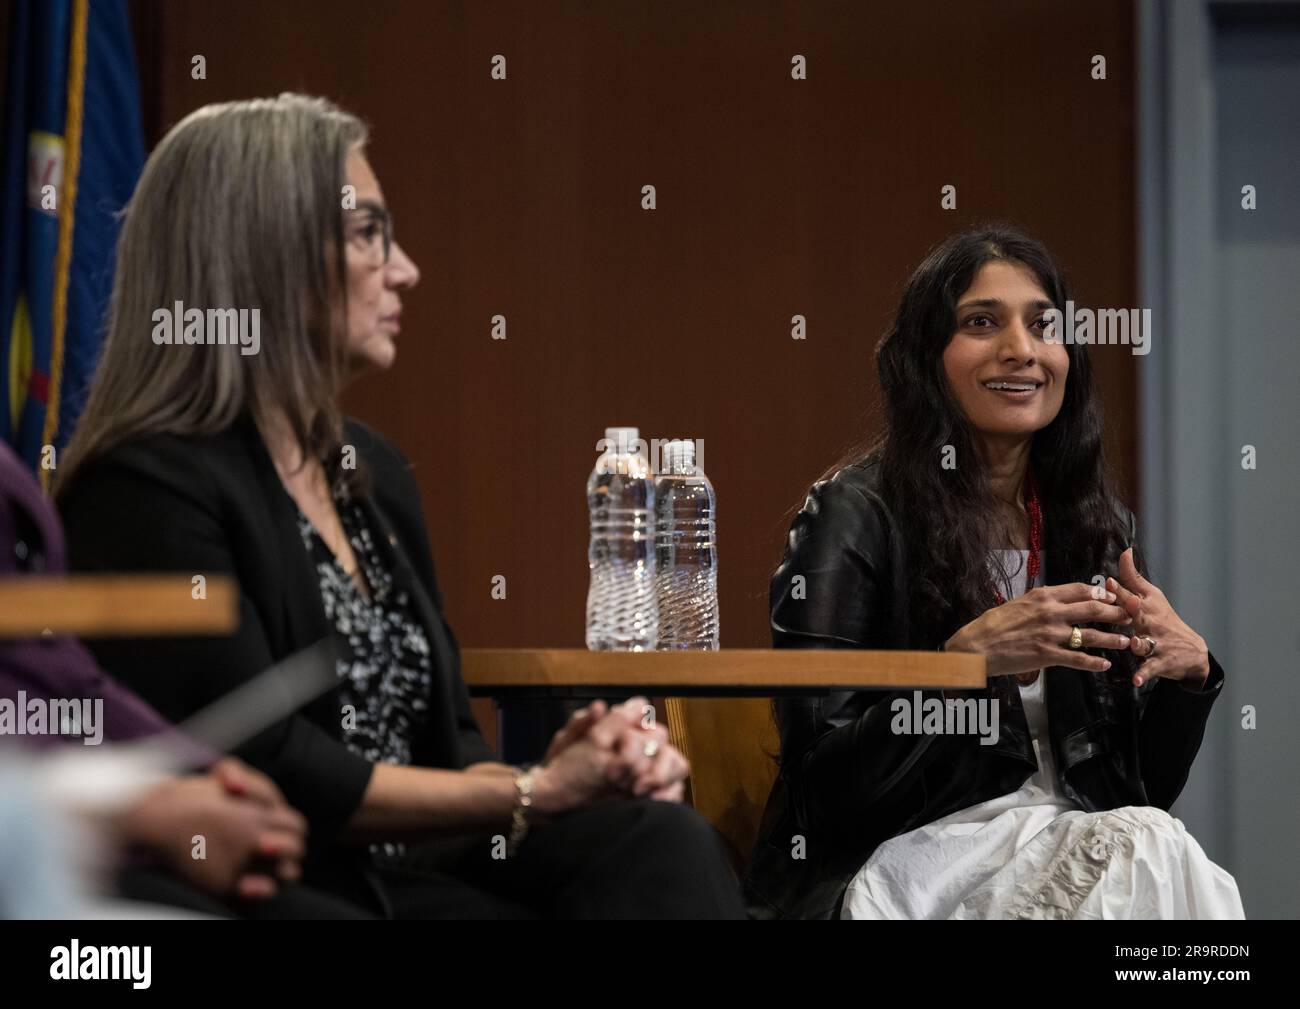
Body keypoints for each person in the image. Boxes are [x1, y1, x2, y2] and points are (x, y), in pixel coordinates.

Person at [55, 93, 743, 919]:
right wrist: (533, 786)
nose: (405, 268)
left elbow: (451, 755)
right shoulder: (146, 487)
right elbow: (264, 762)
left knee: (660, 840)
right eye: (367, 233)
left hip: (409, 869)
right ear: (261, 255)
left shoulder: (368, 469)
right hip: (270, 877)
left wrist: (573, 778)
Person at [744, 226, 1243, 920]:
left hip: (1073, 853)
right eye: (982, 323)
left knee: (1150, 849)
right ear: (927, 357)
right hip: (899, 865)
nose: (1022, 349)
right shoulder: (854, 514)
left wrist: (1187, 680)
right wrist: (959, 664)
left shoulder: (1096, 528)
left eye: (1044, 326)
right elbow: (824, 793)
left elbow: (1128, 791)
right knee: (1154, 856)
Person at [0, 437, 370, 918]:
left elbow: (65, 673)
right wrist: (143, 809)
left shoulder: (363, 461)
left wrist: (196, 776)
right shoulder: (151, 476)